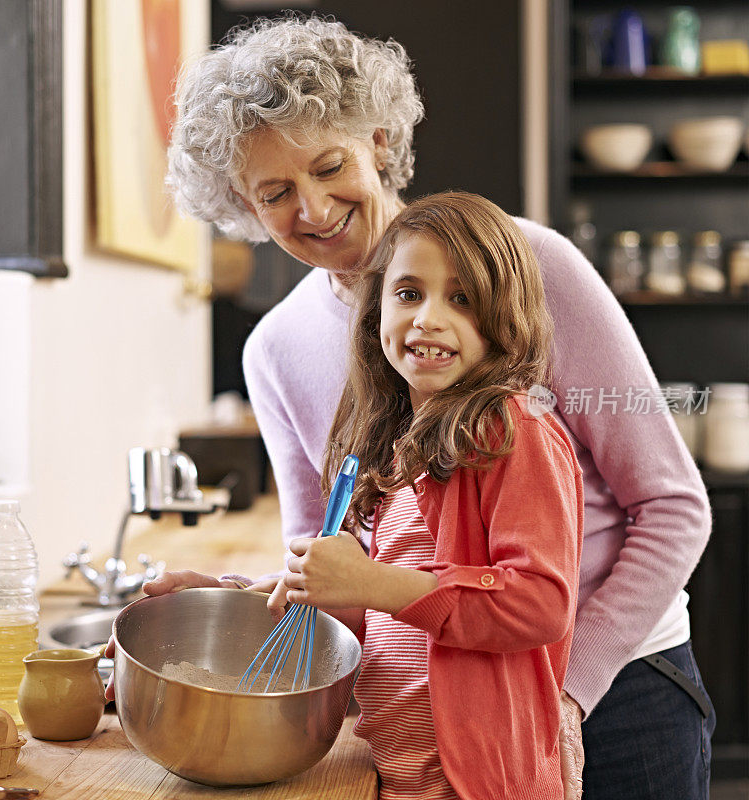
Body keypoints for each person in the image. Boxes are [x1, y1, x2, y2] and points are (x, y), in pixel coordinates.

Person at [106, 15, 715, 800]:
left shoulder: (531, 267)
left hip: (622, 681)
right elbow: (337, 563)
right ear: (241, 206)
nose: (314, 208)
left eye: (330, 166)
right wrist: (229, 603)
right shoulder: (276, 351)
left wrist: (566, 689)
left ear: (382, 143)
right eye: (276, 192)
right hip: (455, 712)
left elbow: (673, 507)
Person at [270, 190, 584, 799]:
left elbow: (540, 601)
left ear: (506, 318)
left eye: (461, 299)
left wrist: (373, 583)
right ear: (376, 312)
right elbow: (396, 619)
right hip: (404, 773)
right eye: (409, 293)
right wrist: (282, 593)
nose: (428, 318)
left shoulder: (513, 429)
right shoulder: (397, 448)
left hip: (482, 783)